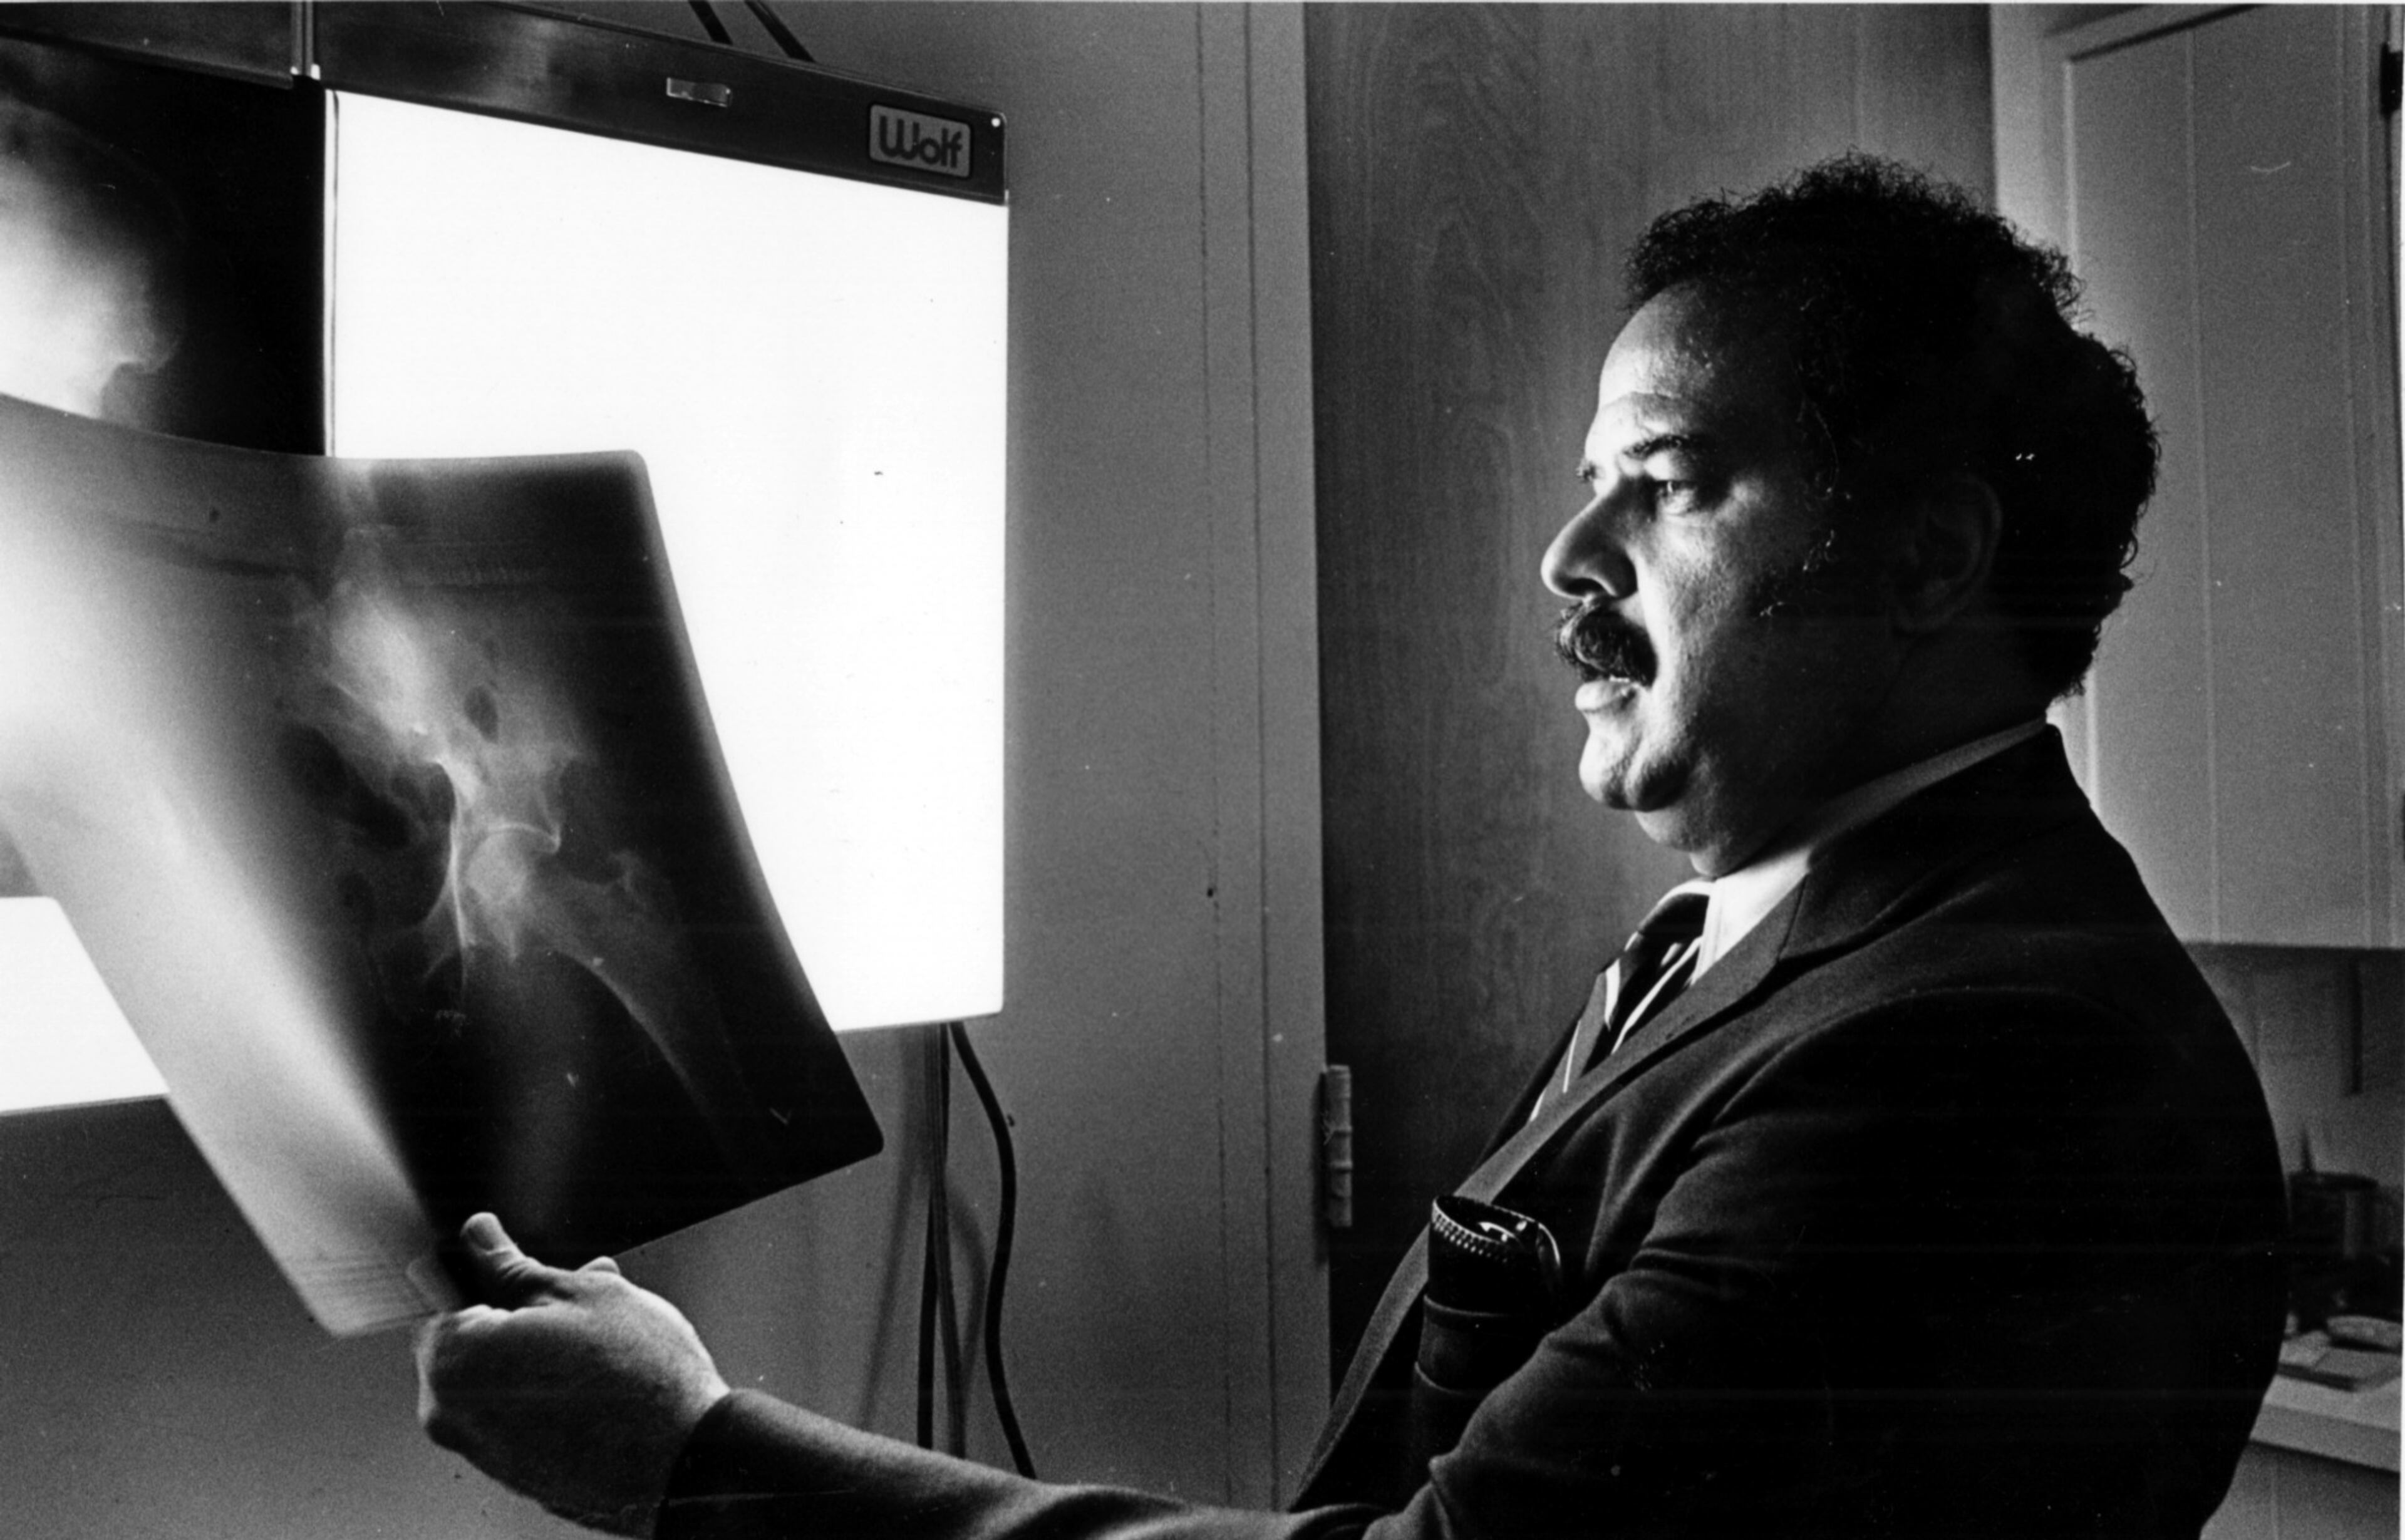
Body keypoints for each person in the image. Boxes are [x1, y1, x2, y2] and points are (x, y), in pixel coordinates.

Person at [415, 155, 2287, 1539]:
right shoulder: (1776, 938)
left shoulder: (1978, 1054)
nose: (1567, 565)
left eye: (1664, 484)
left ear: (1932, 558)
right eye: (1585, 488)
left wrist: (700, 1451)